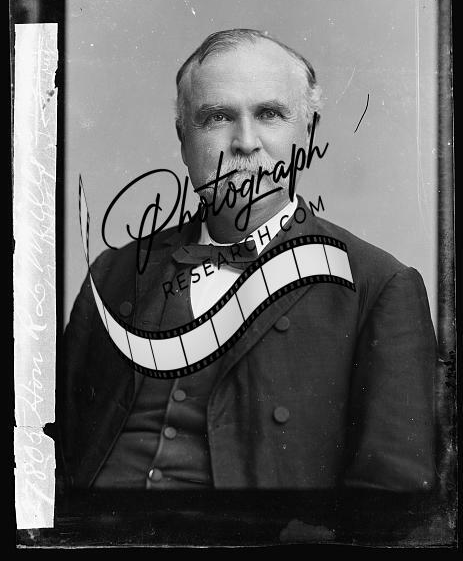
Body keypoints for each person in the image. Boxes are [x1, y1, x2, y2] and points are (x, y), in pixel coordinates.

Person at [58, 29, 436, 493]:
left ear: (309, 131)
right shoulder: (112, 273)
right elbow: (47, 451)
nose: (245, 142)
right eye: (217, 117)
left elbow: (392, 501)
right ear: (183, 140)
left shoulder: (379, 286)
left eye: (270, 114)